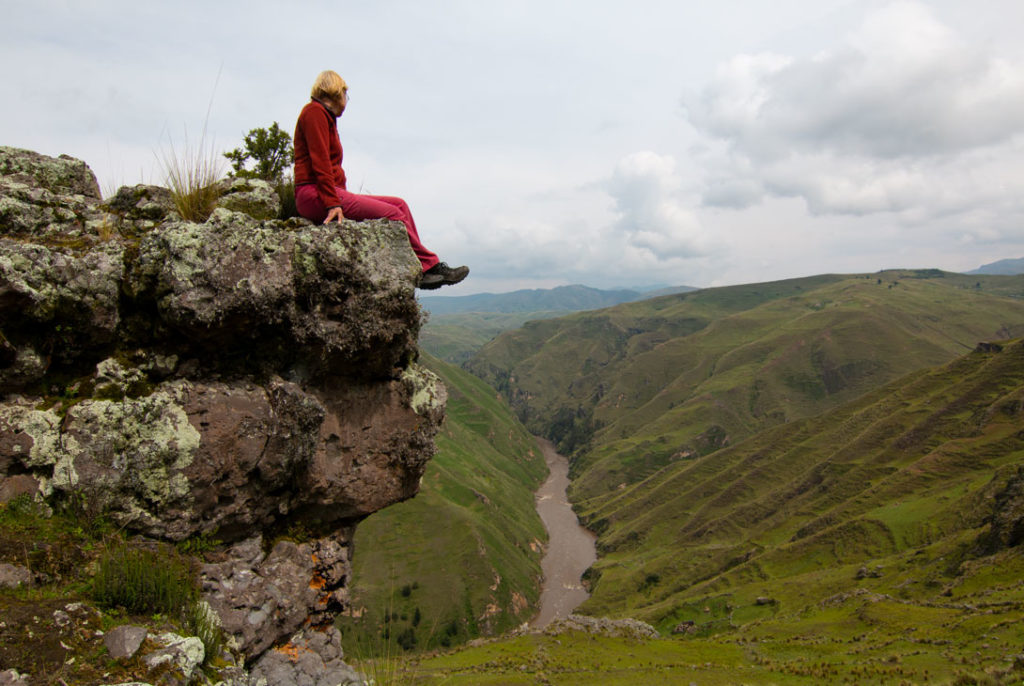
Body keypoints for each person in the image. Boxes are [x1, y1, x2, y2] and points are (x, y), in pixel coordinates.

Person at [293, 70, 469, 290]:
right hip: (314, 194)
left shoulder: (324, 117)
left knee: (399, 204)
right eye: (345, 96)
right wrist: (333, 203)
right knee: (393, 214)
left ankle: (429, 265)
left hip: (327, 192)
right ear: (337, 92)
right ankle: (423, 270)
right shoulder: (314, 113)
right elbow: (320, 163)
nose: (346, 102)